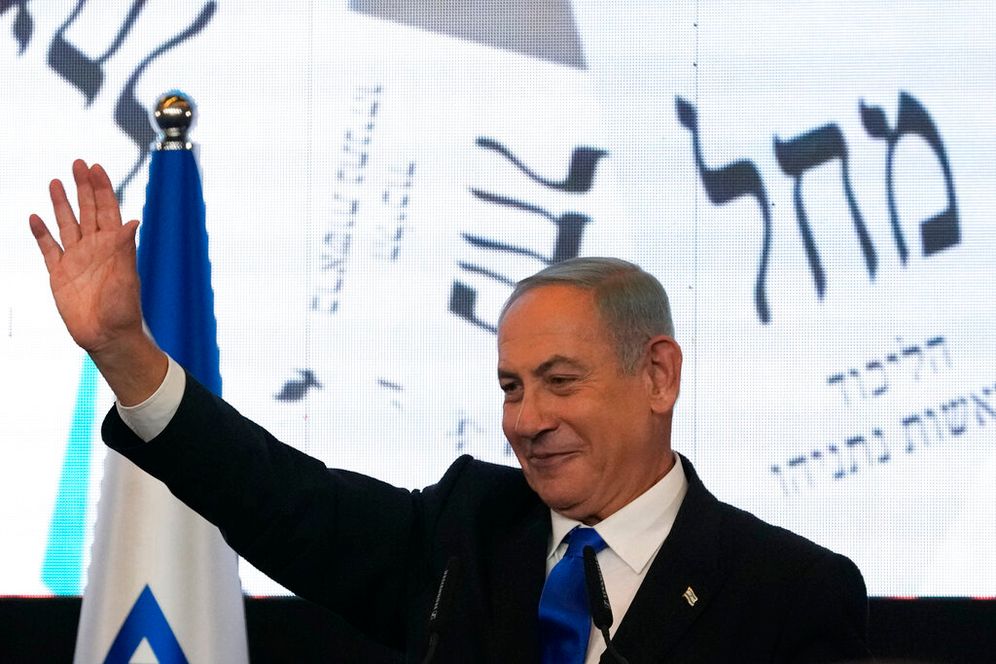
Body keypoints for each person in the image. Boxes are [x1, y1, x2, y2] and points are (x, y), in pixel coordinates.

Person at [30, 161, 870, 663]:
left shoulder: (789, 592)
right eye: (511, 387)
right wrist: (125, 352)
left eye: (559, 382)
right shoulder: (468, 533)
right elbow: (279, 499)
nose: (527, 419)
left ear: (658, 376)